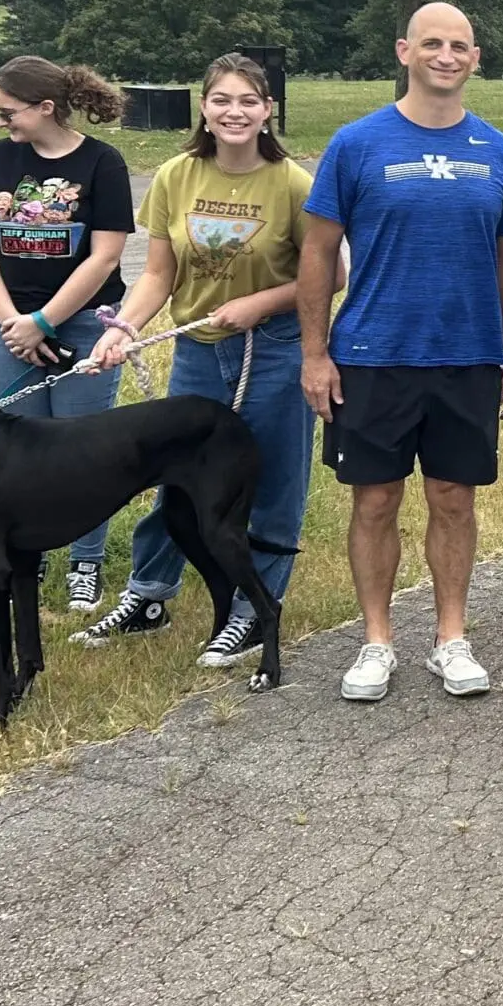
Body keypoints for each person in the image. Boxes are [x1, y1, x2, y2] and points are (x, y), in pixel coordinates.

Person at [300, 3, 503, 706]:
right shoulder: (356, 144)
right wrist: (316, 353)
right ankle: (377, 641)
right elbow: (315, 254)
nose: (445, 54)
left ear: (475, 58)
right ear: (404, 50)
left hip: (466, 357)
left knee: (453, 499)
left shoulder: (497, 151)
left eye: (458, 45)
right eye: (431, 42)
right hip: (373, 353)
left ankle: (450, 638)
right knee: (374, 501)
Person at [77, 54, 319, 667]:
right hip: (195, 350)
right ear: (204, 110)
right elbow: (160, 272)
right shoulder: (175, 176)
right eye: (221, 101)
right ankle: (150, 595)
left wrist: (260, 303)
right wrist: (125, 326)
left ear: (268, 111)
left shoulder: (293, 182)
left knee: (268, 485)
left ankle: (250, 608)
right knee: (174, 478)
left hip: (271, 354)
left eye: (248, 101)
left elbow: (328, 274)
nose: (234, 112)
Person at [0, 55, 134, 614]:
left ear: (46, 108)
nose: (0, 123)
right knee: (16, 447)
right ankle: (23, 557)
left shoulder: (102, 163)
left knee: (82, 448)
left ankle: (86, 561)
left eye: (7, 112)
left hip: (82, 322)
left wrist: (45, 322)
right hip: (7, 325)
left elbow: (105, 257)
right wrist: (14, 322)